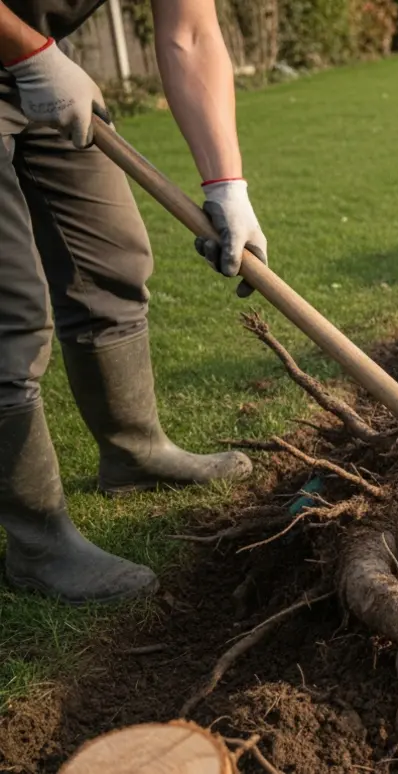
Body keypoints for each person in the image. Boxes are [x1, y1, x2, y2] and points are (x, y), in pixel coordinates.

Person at [0, 0, 267, 604]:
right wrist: (29, 51)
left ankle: (135, 453)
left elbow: (191, 33)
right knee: (10, 312)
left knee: (111, 260)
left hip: (33, 62)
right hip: (28, 53)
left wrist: (227, 186)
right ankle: (37, 542)